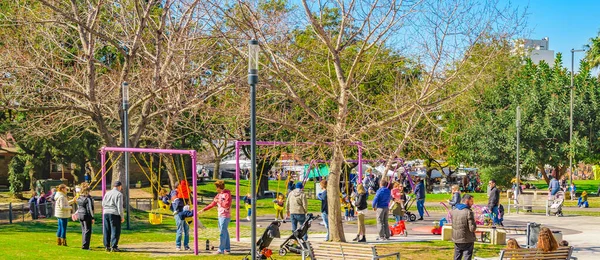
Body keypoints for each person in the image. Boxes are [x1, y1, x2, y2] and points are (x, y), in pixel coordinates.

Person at [200, 180, 232, 254]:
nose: (216, 189)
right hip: (220, 215)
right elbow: (213, 203)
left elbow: (227, 204)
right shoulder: (218, 195)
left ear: (219, 187)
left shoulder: (227, 194)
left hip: (225, 215)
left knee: (222, 233)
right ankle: (227, 248)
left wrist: (219, 201)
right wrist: (204, 209)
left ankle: (221, 249)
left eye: (216, 187)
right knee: (225, 231)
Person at [451, 194, 477, 260]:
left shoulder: (454, 211)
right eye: (471, 201)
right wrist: (475, 223)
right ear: (467, 201)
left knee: (457, 257)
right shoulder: (468, 212)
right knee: (467, 256)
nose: (473, 203)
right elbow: (472, 228)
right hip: (467, 239)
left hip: (456, 238)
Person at [102, 181, 124, 252]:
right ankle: (114, 246)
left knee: (107, 229)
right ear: (119, 186)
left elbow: (103, 203)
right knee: (115, 230)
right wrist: (122, 216)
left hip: (106, 212)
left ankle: (107, 246)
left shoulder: (107, 193)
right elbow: (119, 206)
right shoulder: (119, 194)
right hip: (114, 213)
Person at [76, 185, 95, 250]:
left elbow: (78, 207)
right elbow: (89, 209)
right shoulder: (88, 199)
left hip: (80, 214)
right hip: (86, 215)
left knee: (83, 230)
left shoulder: (79, 198)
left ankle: (84, 244)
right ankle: (85, 246)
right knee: (87, 230)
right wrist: (92, 217)